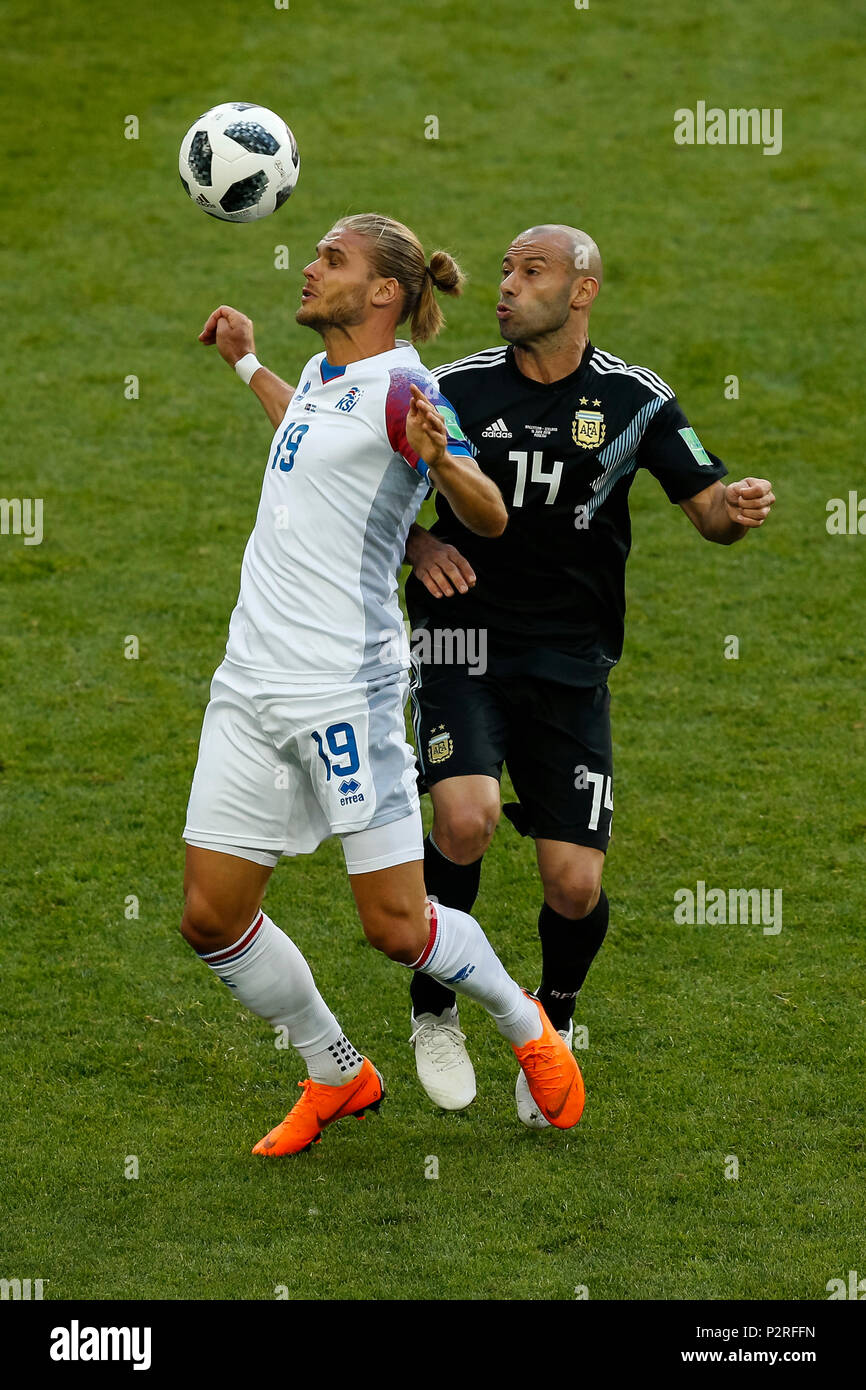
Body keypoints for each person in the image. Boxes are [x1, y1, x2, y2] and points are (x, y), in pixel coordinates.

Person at [179, 213, 585, 1157]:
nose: (309, 269)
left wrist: (443, 458)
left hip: (342, 692)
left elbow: (486, 517)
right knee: (210, 918)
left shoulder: (407, 388)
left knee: (398, 928)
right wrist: (245, 364)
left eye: (332, 260)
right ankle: (336, 1070)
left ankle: (526, 1028)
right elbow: (309, 427)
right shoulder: (329, 375)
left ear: (384, 294)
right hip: (248, 683)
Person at [404, 223, 776, 1125]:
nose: (506, 285)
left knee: (573, 883)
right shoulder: (451, 389)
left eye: (531, 272)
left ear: (582, 292)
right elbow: (363, 501)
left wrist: (732, 509)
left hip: (571, 662)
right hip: (462, 643)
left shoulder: (634, 402)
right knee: (465, 818)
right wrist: (415, 541)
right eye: (503, 271)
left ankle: (553, 1027)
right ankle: (434, 1008)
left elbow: (708, 517)